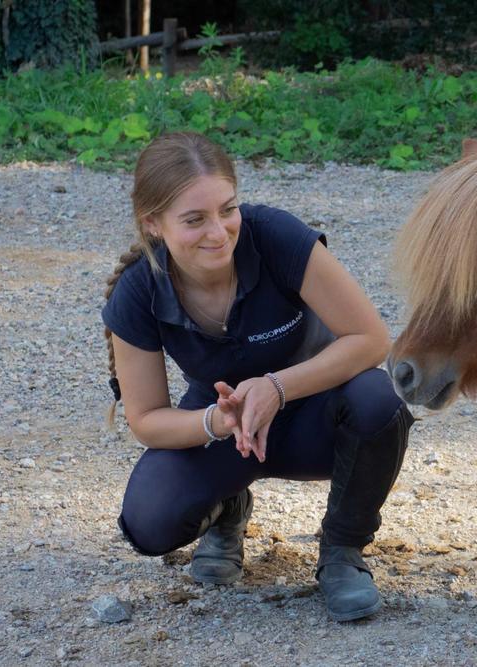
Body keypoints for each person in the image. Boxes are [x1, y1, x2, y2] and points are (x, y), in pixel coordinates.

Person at [102, 131, 412, 622]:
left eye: (228, 209)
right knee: (148, 524)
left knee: (381, 401)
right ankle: (227, 510)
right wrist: (219, 423)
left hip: (315, 410)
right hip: (227, 427)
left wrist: (276, 387)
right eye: (194, 219)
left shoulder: (275, 236)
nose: (219, 231)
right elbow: (145, 419)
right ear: (153, 224)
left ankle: (342, 552)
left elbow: (372, 339)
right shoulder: (139, 292)